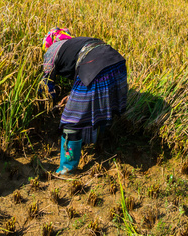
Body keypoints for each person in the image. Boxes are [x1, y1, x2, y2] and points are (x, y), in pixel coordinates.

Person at [41, 28, 128, 175]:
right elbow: (81, 71)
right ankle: (98, 144)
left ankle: (67, 168)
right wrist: (71, 96)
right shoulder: (78, 43)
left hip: (95, 69)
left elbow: (46, 86)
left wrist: (50, 106)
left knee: (71, 120)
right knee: (98, 109)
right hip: (117, 65)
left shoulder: (51, 51)